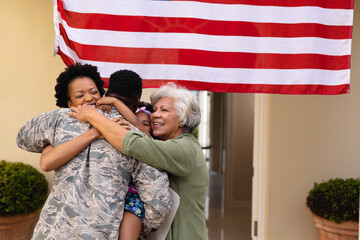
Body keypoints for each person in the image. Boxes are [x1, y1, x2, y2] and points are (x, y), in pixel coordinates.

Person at [16, 64, 172, 239]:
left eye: (93, 92)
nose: (88, 98)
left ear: (104, 93)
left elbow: (23, 138)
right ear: (136, 103)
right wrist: (140, 227)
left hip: (53, 230)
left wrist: (50, 143)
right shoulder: (134, 137)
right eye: (80, 95)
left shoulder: (57, 121)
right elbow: (158, 200)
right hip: (99, 232)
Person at [68, 82, 209, 240]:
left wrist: (91, 115)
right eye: (155, 109)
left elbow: (133, 144)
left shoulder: (185, 148)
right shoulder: (165, 144)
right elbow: (138, 130)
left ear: (183, 119)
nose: (155, 115)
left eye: (164, 110)